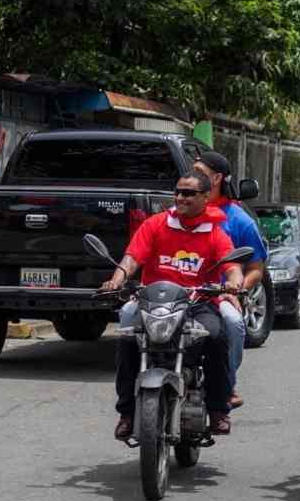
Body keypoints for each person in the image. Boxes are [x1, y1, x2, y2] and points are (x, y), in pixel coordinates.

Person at [102, 172, 242, 439]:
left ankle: (217, 409)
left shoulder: (215, 234)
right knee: (128, 340)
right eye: (177, 192)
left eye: (188, 193)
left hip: (197, 303)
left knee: (216, 337)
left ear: (204, 197)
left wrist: (234, 282)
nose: (180, 197)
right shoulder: (156, 224)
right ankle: (127, 414)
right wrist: (116, 279)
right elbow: (132, 258)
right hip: (151, 301)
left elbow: (232, 266)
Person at [192, 151, 267, 411]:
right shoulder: (181, 211)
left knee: (234, 324)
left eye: (199, 172)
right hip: (181, 293)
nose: (191, 178)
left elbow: (256, 268)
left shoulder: (240, 220)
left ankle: (226, 385)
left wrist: (237, 291)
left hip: (220, 295)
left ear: (216, 178)